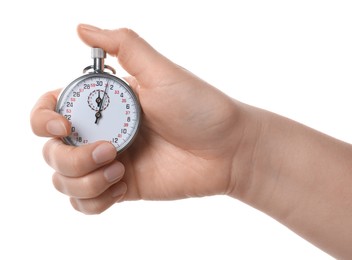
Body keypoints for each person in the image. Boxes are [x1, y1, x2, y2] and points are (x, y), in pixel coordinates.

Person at [30, 24, 352, 259]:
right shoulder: (87, 100)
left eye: (104, 103)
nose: (98, 114)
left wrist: (241, 152)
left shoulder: (116, 98)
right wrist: (238, 151)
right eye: (92, 108)